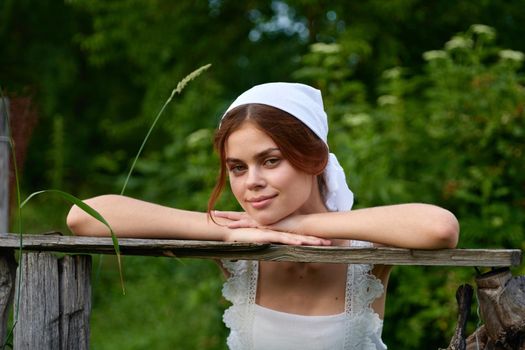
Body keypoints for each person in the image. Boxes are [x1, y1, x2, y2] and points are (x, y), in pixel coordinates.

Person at [67, 82, 459, 350]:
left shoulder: (364, 245)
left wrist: (304, 224)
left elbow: (440, 227)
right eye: (237, 168)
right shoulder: (238, 241)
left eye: (270, 161)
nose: (251, 182)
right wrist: (222, 232)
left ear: (313, 157)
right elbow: (84, 218)